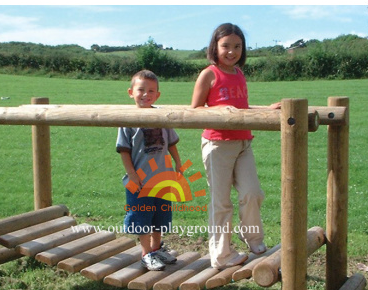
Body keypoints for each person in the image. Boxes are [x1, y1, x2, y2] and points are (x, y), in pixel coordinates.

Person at [191, 23, 280, 269]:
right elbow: (196, 109)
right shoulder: (209, 73)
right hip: (217, 143)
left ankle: (252, 236)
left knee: (252, 193)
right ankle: (221, 255)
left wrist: (266, 110)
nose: (232, 51)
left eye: (237, 46)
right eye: (226, 46)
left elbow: (241, 109)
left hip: (243, 142)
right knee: (221, 201)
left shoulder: (239, 74)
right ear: (215, 47)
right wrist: (218, 109)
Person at [116, 70, 182, 271]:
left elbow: (171, 144)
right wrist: (133, 175)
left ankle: (156, 248)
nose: (146, 94)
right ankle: (146, 254)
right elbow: (124, 151)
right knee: (142, 216)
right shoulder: (128, 119)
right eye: (141, 90)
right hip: (140, 181)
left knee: (160, 217)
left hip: (162, 179)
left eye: (151, 90)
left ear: (158, 95)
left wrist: (178, 164)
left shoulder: (162, 115)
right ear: (130, 92)